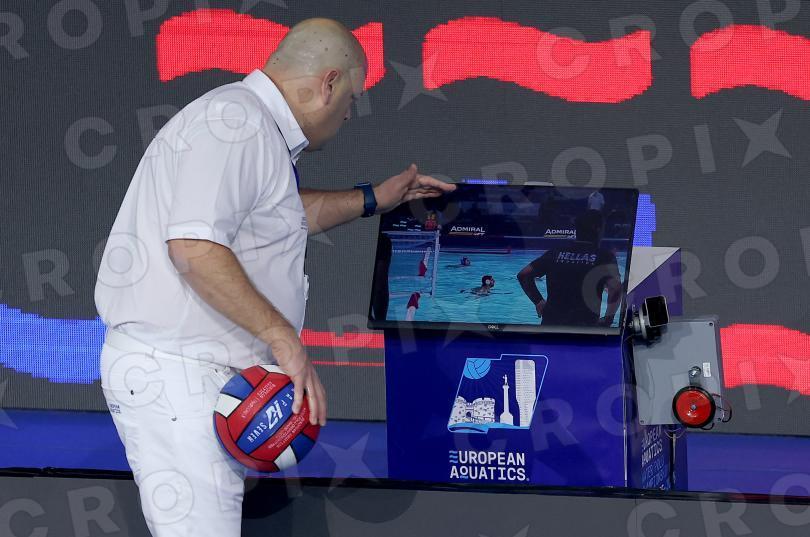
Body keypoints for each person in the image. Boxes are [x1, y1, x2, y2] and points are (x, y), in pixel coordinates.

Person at [94, 18, 454, 537]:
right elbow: (193, 248)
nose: (349, 113)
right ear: (328, 83)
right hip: (178, 374)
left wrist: (374, 199)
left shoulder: (253, 126)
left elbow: (275, 216)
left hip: (202, 376)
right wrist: (283, 339)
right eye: (351, 98)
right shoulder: (234, 123)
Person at [517, 210, 621, 327]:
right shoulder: (604, 257)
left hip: (550, 326)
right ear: (598, 229)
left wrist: (538, 301)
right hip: (585, 327)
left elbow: (524, 275)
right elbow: (615, 289)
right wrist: (608, 319)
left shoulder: (555, 253)